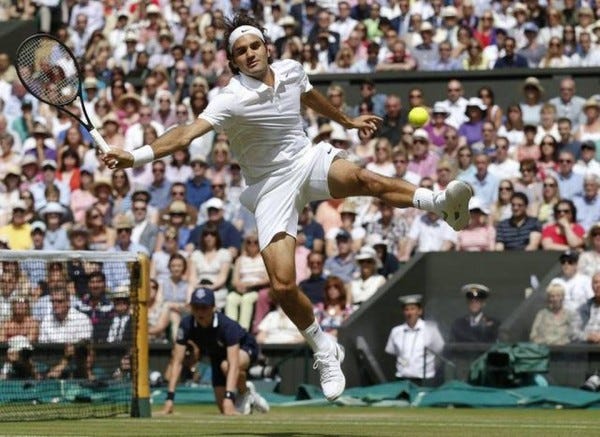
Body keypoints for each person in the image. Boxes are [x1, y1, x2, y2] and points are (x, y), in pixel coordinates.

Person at [102, 13, 473, 402]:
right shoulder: (230, 97)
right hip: (268, 188)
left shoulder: (292, 70)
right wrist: (134, 156)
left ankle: (440, 203)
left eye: (254, 46)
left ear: (266, 47)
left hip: (305, 161)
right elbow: (184, 135)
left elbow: (309, 95)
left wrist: (346, 120)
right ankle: (324, 348)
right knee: (281, 285)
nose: (249, 54)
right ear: (233, 61)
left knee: (365, 179)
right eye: (240, 51)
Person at [162, 288, 269, 415]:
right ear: (191, 308)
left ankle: (244, 392)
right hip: (217, 355)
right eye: (196, 307)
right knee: (223, 409)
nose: (200, 312)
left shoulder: (227, 326)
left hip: (245, 347)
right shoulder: (186, 325)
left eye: (204, 307)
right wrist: (169, 399)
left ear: (213, 307)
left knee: (226, 366)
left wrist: (229, 397)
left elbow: (233, 364)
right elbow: (177, 361)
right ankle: (248, 391)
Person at [385, 294, 444, 385]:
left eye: (412, 309)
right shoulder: (396, 331)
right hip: (402, 379)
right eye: (406, 309)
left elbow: (439, 351)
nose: (409, 313)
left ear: (419, 311)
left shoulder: (430, 329)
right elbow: (393, 352)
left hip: (424, 379)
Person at [530, 280, 577, 345]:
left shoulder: (570, 314)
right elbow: (533, 335)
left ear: (563, 297)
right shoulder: (542, 314)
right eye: (552, 296)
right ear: (549, 298)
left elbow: (574, 335)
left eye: (558, 296)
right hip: (544, 350)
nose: (555, 299)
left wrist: (561, 342)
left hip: (564, 350)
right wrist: (545, 342)